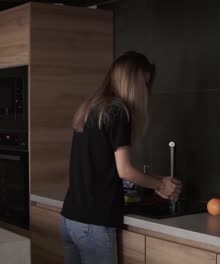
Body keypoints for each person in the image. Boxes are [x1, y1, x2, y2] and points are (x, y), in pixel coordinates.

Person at [60, 51, 183, 264]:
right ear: (133, 82)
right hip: (94, 224)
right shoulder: (118, 111)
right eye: (144, 84)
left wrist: (154, 181)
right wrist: (160, 184)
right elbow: (124, 170)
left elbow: (106, 166)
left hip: (70, 219)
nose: (146, 91)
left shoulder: (93, 107)